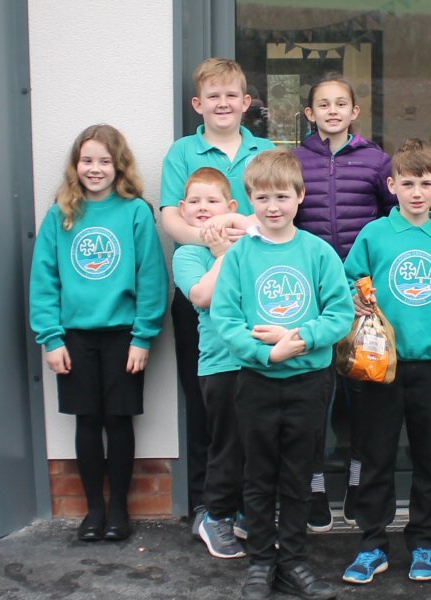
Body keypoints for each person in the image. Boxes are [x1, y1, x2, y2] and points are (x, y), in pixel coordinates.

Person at [211, 150, 352, 600]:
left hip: (310, 382)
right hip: (256, 382)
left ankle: (293, 561)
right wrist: (266, 355)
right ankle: (261, 562)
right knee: (258, 476)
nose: (273, 206)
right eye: (262, 197)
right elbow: (226, 320)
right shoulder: (238, 258)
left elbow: (340, 313)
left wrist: (299, 338)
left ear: (300, 196)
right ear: (248, 199)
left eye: (282, 196)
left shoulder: (318, 252)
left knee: (296, 476)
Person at [29, 124, 168, 542]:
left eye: (104, 161)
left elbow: (152, 277)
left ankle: (120, 512)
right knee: (88, 421)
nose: (95, 168)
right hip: (74, 337)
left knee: (119, 420)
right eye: (87, 160)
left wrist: (143, 336)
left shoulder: (136, 212)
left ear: (118, 165)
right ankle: (93, 511)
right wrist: (51, 338)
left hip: (125, 336)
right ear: (76, 165)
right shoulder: (61, 212)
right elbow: (44, 278)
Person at [339, 139, 431, 585]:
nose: (416, 192)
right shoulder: (375, 234)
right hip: (380, 366)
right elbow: (352, 279)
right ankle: (372, 543)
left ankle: (426, 543)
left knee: (430, 459)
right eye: (407, 183)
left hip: (430, 366)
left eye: (425, 183)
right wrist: (358, 297)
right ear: (391, 185)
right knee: (376, 457)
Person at [160, 57, 275, 531]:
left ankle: (251, 503)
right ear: (198, 104)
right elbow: (170, 217)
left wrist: (234, 229)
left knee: (249, 399)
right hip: (202, 285)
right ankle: (209, 505)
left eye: (232, 95)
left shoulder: (264, 149)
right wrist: (214, 242)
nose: (223, 103)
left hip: (253, 291)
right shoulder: (182, 152)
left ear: (246, 103)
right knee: (205, 397)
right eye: (213, 96)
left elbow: (275, 213)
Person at [294, 75, 399, 532]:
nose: (332, 110)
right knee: (317, 394)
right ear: (309, 114)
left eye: (341, 103)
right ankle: (314, 485)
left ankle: (358, 482)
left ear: (355, 112)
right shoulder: (295, 161)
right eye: (323, 104)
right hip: (312, 291)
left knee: (362, 390)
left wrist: (368, 286)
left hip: (361, 296)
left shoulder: (377, 161)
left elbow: (392, 221)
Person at [172, 168, 251, 559]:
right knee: (225, 445)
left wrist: (233, 236)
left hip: (256, 362)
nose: (204, 209)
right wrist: (222, 256)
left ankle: (239, 513)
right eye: (196, 202)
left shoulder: (249, 242)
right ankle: (214, 516)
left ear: (231, 207)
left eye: (213, 201)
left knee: (252, 443)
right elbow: (202, 296)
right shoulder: (187, 255)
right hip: (219, 365)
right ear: (183, 211)